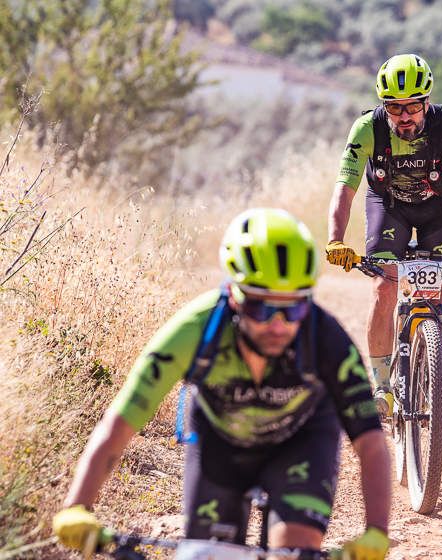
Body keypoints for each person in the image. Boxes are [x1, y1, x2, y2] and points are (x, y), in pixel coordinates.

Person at [52, 208, 392, 560]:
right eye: (261, 308)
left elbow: (370, 443)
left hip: (302, 441)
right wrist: (77, 504)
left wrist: (377, 532)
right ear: (232, 293)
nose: (278, 325)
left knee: (295, 549)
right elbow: (120, 423)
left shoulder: (327, 339)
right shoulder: (193, 330)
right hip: (220, 444)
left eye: (293, 309)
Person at [325, 53, 442, 420]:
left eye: (412, 107)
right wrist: (336, 238)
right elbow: (344, 189)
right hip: (388, 205)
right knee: (384, 288)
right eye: (394, 108)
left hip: (438, 208)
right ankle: (382, 387)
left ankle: (441, 386)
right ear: (384, 106)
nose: (404, 117)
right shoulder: (367, 129)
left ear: (426, 102)